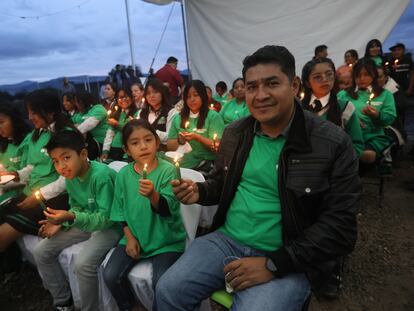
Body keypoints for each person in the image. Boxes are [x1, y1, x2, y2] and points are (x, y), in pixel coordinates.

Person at [155, 45, 360, 311]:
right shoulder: (236, 133)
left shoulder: (331, 143)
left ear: (294, 84)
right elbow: (221, 181)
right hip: (226, 240)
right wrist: (201, 191)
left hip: (289, 254)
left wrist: (276, 264)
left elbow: (341, 227)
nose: (260, 95)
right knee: (167, 291)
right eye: (252, 87)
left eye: (272, 83)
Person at [33, 130, 121, 311]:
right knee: (41, 251)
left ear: (83, 154)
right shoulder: (70, 177)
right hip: (85, 221)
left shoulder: (101, 176)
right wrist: (61, 222)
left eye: (66, 158)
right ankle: (63, 301)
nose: (61, 166)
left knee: (83, 265)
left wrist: (71, 217)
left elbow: (107, 218)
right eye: (55, 161)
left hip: (112, 226)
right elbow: (77, 206)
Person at [103, 119, 186, 311]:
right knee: (110, 275)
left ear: (157, 142)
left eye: (148, 140)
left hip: (166, 240)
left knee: (162, 283)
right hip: (134, 235)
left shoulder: (168, 171)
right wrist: (130, 237)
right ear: (126, 149)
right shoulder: (124, 174)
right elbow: (120, 210)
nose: (143, 146)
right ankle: (131, 306)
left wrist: (153, 195)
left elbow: (168, 209)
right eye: (135, 143)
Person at [0, 89, 74, 253]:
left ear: (50, 111)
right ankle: (11, 266)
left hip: (55, 199)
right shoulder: (37, 135)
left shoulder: (65, 135)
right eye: (28, 112)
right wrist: (16, 175)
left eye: (34, 112)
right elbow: (33, 166)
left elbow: (69, 177)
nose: (30, 117)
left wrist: (40, 196)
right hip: (31, 193)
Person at [338, 58, 396, 164]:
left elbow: (390, 118)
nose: (361, 78)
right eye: (358, 75)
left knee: (367, 156)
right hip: (347, 135)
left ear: (374, 75)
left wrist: (377, 115)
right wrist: (352, 122)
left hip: (372, 136)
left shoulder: (385, 95)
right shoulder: (343, 94)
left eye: (366, 75)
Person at [301, 58, 364, 157]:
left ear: (335, 77)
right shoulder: (298, 109)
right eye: (317, 77)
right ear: (308, 83)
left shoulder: (345, 107)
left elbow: (357, 146)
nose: (325, 79)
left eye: (329, 74)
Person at [167, 80, 225, 171]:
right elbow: (169, 145)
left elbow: (218, 146)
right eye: (188, 96)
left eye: (196, 95)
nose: (192, 99)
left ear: (203, 96)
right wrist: (180, 141)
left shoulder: (213, 117)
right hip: (183, 159)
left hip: (206, 162)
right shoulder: (178, 118)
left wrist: (197, 137)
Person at [138, 78, 177, 150]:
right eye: (148, 93)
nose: (151, 96)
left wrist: (150, 131)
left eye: (155, 92)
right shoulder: (142, 112)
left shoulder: (171, 112)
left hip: (162, 152)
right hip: (143, 150)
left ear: (162, 93)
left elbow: (170, 137)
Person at [101, 88, 138, 161]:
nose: (123, 99)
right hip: (113, 149)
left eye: (126, 96)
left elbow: (132, 130)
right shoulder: (116, 114)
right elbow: (109, 134)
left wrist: (117, 124)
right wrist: (105, 151)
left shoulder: (137, 113)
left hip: (128, 150)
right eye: (120, 97)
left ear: (131, 97)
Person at [74, 92, 108, 156]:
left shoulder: (98, 109)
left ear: (84, 101)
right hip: (90, 143)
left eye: (77, 102)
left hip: (102, 144)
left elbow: (84, 127)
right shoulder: (80, 114)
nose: (76, 104)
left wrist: (75, 127)